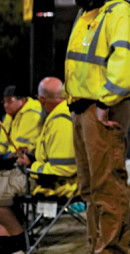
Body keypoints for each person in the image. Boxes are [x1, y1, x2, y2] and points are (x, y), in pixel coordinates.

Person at [64, 0, 130, 254]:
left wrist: (104, 103)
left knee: (107, 186)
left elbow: (126, 65)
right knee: (91, 188)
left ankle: (112, 250)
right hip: (83, 109)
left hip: (102, 110)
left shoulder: (119, 11)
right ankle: (98, 246)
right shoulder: (88, 12)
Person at [0, 77, 77, 254]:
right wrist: (32, 158)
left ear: (42, 100)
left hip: (54, 183)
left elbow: (62, 170)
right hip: (44, 175)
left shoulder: (60, 121)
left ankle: (18, 240)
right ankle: (13, 237)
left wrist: (31, 167)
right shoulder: (61, 115)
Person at [0, 84, 43, 162]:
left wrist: (4, 158)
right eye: (4, 101)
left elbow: (21, 147)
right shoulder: (10, 114)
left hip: (27, 160)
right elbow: (2, 142)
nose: (5, 105)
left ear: (22, 100)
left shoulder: (32, 114)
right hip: (11, 159)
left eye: (9, 101)